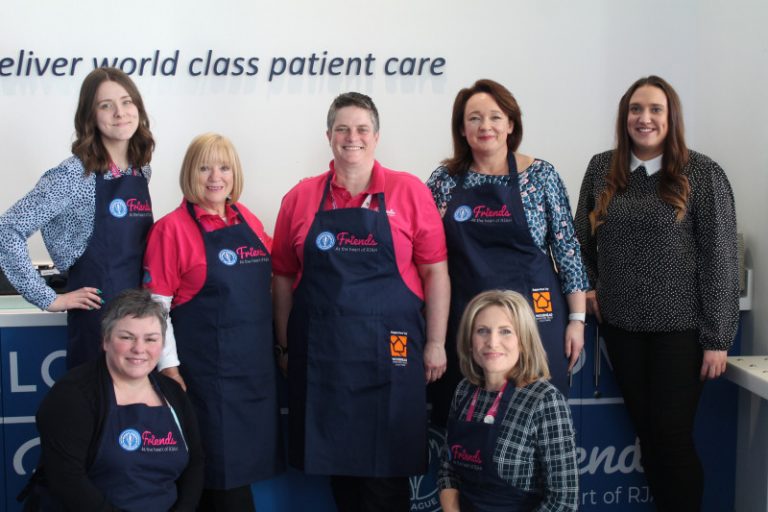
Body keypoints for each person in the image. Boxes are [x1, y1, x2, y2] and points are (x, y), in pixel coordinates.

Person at [272, 92, 450, 512]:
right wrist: (284, 345)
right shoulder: (300, 198)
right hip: (324, 360)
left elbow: (436, 271)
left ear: (376, 136)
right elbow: (281, 276)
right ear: (329, 136)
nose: (352, 137)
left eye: (362, 129)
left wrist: (437, 342)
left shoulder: (409, 191)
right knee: (342, 479)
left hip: (391, 356)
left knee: (383, 483)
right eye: (342, 129)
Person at [574, 75, 739, 511]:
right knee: (650, 437)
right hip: (622, 329)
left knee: (671, 438)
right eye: (635, 109)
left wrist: (717, 338)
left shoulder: (702, 173)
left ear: (672, 118)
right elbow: (580, 244)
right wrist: (589, 286)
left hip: (680, 333)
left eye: (655, 110)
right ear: (624, 116)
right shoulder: (600, 168)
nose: (643, 118)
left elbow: (720, 258)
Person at [426, 79, 589, 426]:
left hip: (535, 320)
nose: (485, 126)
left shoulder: (540, 176)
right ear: (461, 128)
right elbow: (425, 253)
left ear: (511, 124)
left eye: (495, 117)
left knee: (536, 421)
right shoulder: (444, 181)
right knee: (468, 424)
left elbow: (568, 248)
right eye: (474, 118)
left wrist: (577, 321)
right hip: (467, 324)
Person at [142, 133, 283, 511]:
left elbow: (273, 281)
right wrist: (169, 369)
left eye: (223, 167)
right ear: (190, 173)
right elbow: (156, 307)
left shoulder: (247, 219)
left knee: (239, 479)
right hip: (205, 379)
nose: (214, 177)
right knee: (217, 483)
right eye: (204, 167)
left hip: (254, 375)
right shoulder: (170, 230)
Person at [0, 67, 156, 369]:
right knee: (95, 408)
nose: (119, 113)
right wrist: (50, 299)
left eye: (126, 102)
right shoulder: (75, 174)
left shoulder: (140, 170)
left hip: (138, 318)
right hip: (97, 320)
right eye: (105, 105)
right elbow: (8, 229)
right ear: (90, 116)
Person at [24, 289, 203, 511]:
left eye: (151, 339)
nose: (139, 349)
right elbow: (66, 479)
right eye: (127, 337)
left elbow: (195, 465)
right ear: (106, 341)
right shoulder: (72, 395)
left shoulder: (172, 393)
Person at [438, 289, 578, 512]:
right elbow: (448, 471)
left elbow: (563, 502)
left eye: (505, 332)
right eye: (482, 331)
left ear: (523, 341)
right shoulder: (464, 391)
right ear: (469, 341)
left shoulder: (545, 401)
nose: (492, 342)